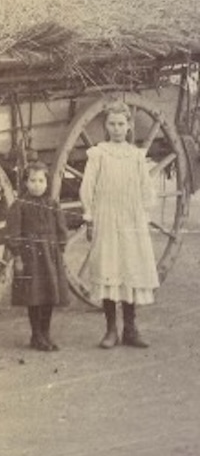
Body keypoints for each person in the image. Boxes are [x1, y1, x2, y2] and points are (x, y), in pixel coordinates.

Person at [80, 100, 160, 349]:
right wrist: (89, 216)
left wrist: (141, 215)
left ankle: (131, 329)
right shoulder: (98, 154)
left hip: (131, 219)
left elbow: (146, 189)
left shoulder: (136, 156)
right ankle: (110, 329)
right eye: (112, 124)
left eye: (121, 124)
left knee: (129, 269)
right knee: (108, 269)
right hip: (106, 218)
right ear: (106, 126)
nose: (116, 129)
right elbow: (88, 187)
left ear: (129, 126)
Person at [6, 162, 70, 351]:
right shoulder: (19, 206)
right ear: (25, 182)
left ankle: (46, 333)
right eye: (32, 180)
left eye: (41, 180)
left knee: (49, 294)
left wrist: (59, 249)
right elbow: (13, 232)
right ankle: (36, 335)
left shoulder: (52, 204)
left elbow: (61, 230)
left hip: (49, 256)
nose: (37, 185)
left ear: (47, 182)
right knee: (34, 296)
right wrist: (17, 255)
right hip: (30, 256)